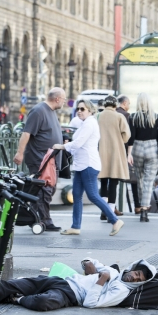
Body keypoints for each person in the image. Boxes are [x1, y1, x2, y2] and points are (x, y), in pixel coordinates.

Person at [0, 258, 157, 311]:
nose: (134, 277)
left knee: (44, 302)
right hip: (61, 280)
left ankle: (17, 299)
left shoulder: (120, 291)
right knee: (8, 284)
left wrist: (100, 280)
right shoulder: (115, 272)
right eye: (136, 272)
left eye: (138, 279)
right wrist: (91, 265)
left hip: (70, 296)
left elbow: (90, 304)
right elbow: (91, 263)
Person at [52, 99, 124, 237]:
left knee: (92, 195)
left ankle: (115, 220)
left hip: (89, 164)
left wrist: (62, 146)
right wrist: (69, 144)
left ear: (90, 111)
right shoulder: (85, 124)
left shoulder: (90, 123)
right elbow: (78, 144)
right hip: (81, 165)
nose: (79, 111)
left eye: (82, 109)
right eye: (78, 109)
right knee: (77, 195)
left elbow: (79, 143)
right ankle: (75, 226)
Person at [13, 87, 66, 232]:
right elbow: (26, 133)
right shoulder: (39, 111)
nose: (64, 102)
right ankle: (44, 220)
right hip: (40, 158)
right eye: (64, 99)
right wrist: (19, 153)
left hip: (49, 159)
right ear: (57, 99)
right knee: (44, 189)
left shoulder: (51, 112)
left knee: (48, 189)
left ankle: (35, 218)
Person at [128, 93, 158, 222]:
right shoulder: (157, 117)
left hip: (137, 148)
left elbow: (131, 137)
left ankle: (141, 205)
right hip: (152, 148)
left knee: (140, 179)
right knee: (149, 180)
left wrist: (129, 154)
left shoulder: (133, 117)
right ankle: (144, 209)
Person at [97, 95, 131, 219]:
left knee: (104, 182)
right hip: (116, 152)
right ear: (115, 105)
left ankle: (103, 210)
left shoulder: (98, 116)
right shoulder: (119, 116)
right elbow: (126, 135)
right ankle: (110, 211)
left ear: (105, 105)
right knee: (113, 182)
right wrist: (118, 140)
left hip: (101, 152)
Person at [116, 95, 141, 215]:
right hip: (124, 151)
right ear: (125, 103)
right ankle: (137, 206)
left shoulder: (113, 114)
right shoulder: (126, 116)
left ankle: (110, 207)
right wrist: (129, 153)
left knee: (112, 181)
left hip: (114, 151)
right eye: (129, 104)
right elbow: (129, 136)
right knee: (134, 179)